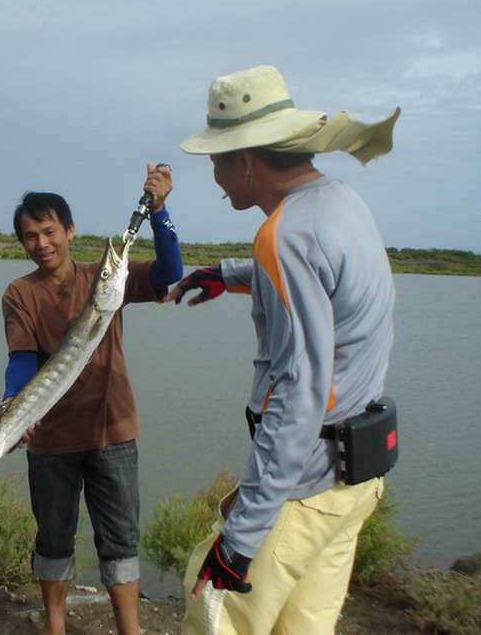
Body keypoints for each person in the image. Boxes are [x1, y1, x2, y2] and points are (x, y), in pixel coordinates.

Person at [164, 65, 400, 634]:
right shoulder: (337, 202)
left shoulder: (285, 235)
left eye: (217, 160)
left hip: (302, 489)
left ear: (245, 159)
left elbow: (300, 394)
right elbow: (323, 281)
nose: (216, 176)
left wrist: (240, 540)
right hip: (353, 484)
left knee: (214, 612)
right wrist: (228, 274)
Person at [1, 164, 183, 635]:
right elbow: (21, 359)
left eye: (49, 231)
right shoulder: (19, 293)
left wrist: (160, 213)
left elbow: (169, 273)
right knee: (54, 539)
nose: (41, 243)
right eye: (29, 236)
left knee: (120, 540)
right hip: (51, 439)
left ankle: (130, 629)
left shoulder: (106, 280)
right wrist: (16, 406)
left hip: (113, 431)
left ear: (69, 230)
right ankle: (55, 627)